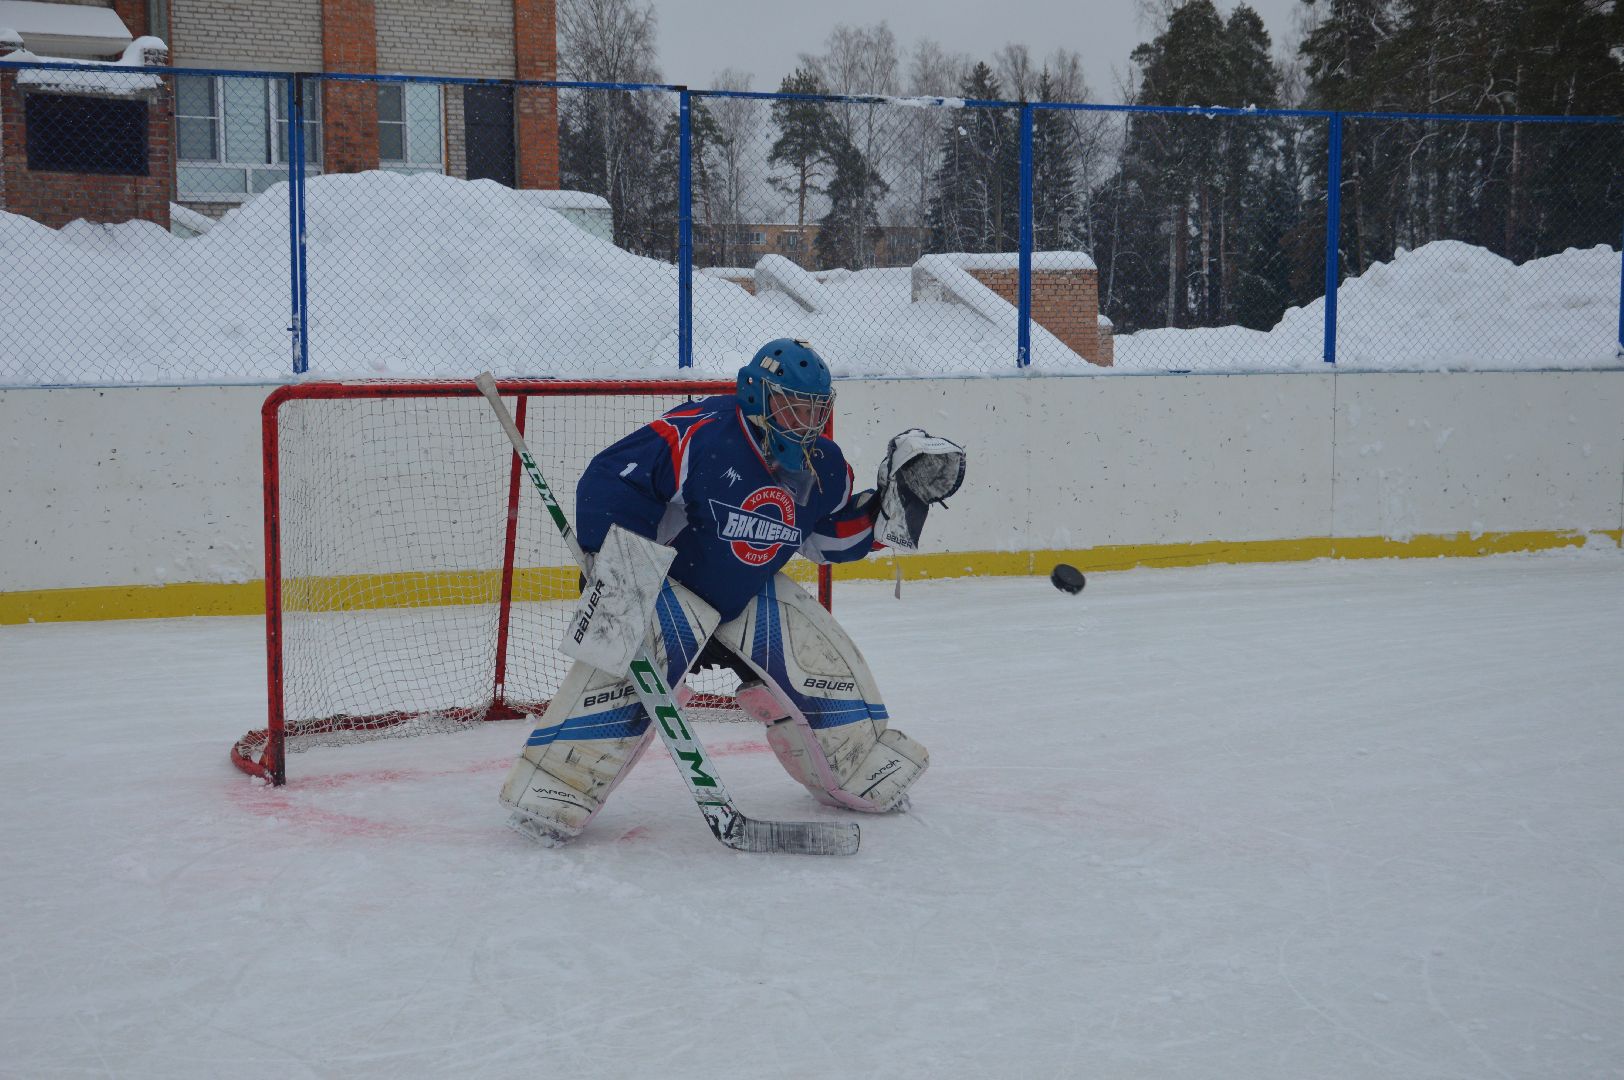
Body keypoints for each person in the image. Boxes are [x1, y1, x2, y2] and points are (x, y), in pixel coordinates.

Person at [500, 338, 963, 843]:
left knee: (820, 657)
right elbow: (610, 478)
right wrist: (622, 570)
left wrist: (889, 510)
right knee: (623, 682)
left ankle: (859, 768)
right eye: (792, 403)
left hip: (741, 595)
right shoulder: (700, 432)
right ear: (757, 394)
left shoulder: (824, 467)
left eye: (815, 406)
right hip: (666, 589)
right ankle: (552, 788)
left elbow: (826, 537)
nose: (805, 419)